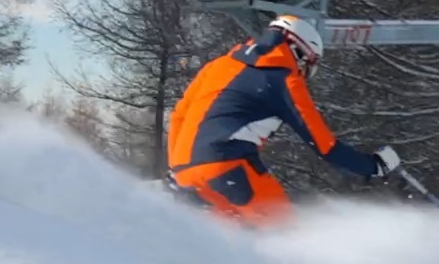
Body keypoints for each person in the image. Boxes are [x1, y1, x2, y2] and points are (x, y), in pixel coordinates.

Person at [166, 14, 400, 223]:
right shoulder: (284, 79)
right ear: (300, 52)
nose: (304, 74)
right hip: (230, 167)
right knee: (287, 235)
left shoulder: (217, 65)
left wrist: (177, 167)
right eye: (308, 67)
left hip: (184, 171)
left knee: (229, 240)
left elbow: (178, 116)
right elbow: (325, 145)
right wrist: (373, 166)